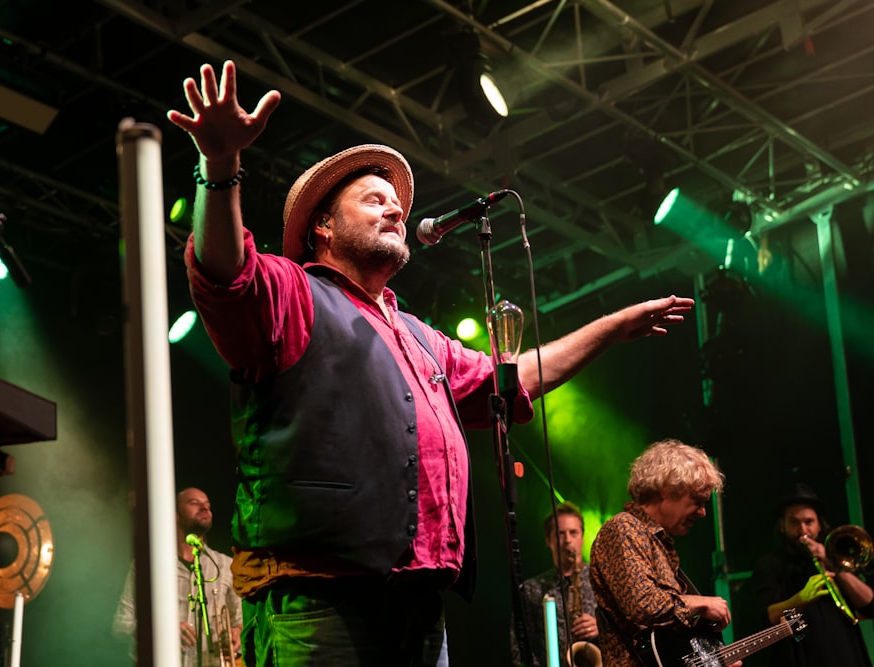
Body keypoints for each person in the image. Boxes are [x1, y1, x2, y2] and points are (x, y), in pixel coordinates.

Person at [166, 59, 696, 667]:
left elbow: (512, 379)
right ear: (323, 226)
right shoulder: (293, 293)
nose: (395, 211)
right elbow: (224, 273)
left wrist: (609, 328)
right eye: (374, 200)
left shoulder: (421, 337)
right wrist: (220, 165)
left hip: (418, 606)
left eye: (397, 204)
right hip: (320, 603)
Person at [589, 439, 737, 667]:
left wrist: (710, 660)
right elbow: (643, 604)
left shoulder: (657, 542)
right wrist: (701, 603)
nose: (702, 513)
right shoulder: (624, 528)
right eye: (697, 501)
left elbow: (668, 638)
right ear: (667, 490)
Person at [750, 483, 874, 667]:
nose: (803, 530)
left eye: (809, 522)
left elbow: (873, 607)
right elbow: (767, 616)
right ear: (782, 526)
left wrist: (830, 561)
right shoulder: (770, 565)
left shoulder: (835, 559)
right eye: (794, 522)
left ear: (819, 525)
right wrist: (802, 598)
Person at [113, 487, 242, 667]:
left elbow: (240, 623)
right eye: (194, 503)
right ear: (174, 516)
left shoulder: (226, 565)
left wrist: (237, 636)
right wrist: (162, 630)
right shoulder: (148, 565)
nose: (205, 508)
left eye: (208, 505)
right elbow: (121, 624)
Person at [511, 501, 600, 667]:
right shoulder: (532, 589)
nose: (567, 540)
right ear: (548, 540)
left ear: (582, 537)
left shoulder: (601, 580)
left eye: (573, 533)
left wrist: (601, 627)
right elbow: (520, 647)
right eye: (560, 533)